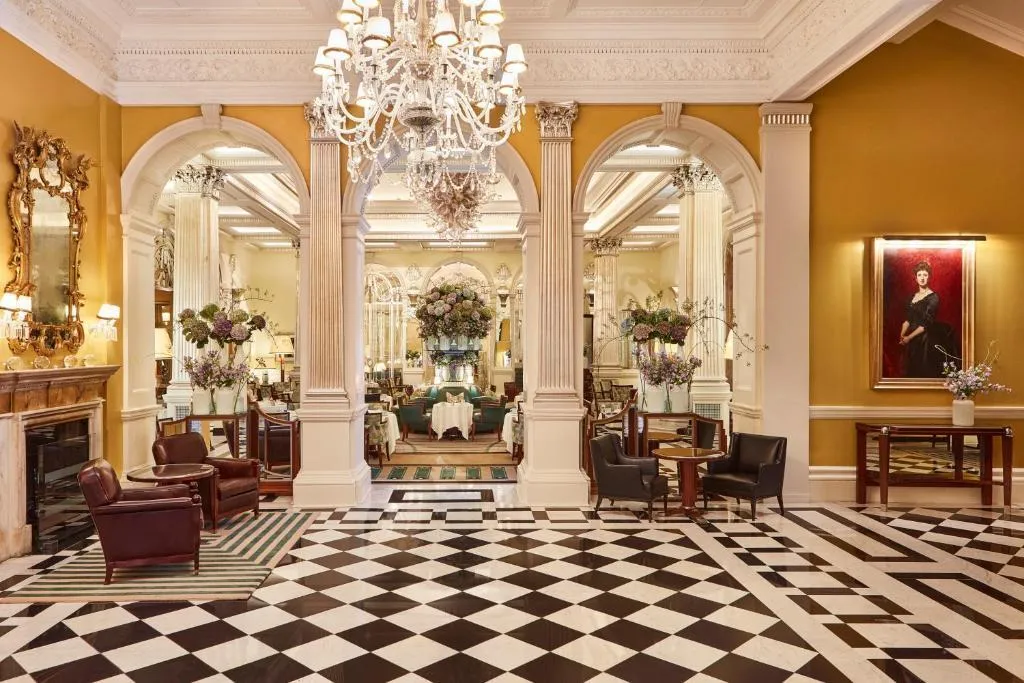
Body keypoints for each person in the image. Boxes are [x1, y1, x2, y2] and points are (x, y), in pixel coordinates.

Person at [899, 261, 941, 377]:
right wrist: (902, 335)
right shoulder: (912, 297)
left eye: (925, 275)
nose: (922, 278)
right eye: (919, 275)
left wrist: (909, 337)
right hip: (910, 338)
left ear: (929, 277)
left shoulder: (933, 297)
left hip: (924, 338)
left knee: (922, 369)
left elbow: (925, 324)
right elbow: (908, 319)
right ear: (915, 278)